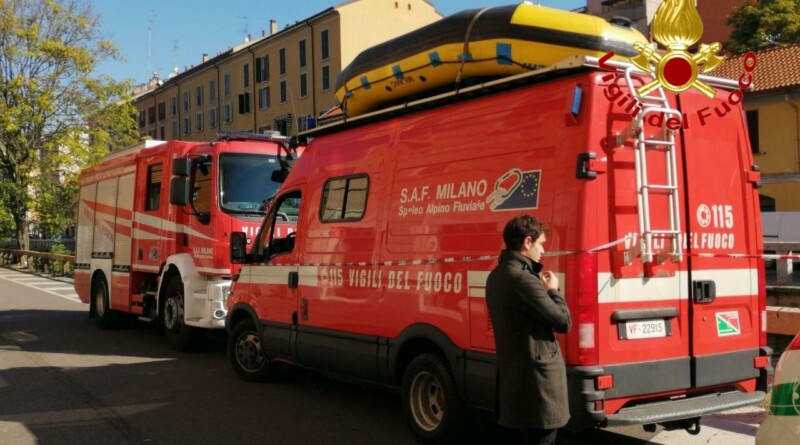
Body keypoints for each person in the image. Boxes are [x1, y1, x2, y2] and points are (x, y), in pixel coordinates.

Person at [485, 215, 572, 445]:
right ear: (527, 242)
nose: (543, 250)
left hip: (515, 386)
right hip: (537, 391)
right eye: (541, 243)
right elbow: (563, 321)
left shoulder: (496, 275)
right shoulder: (522, 279)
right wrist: (553, 290)